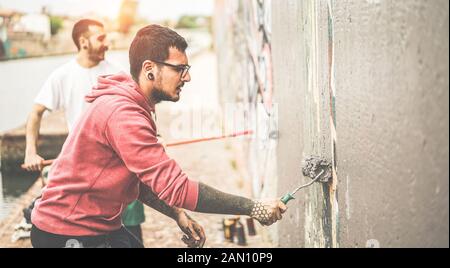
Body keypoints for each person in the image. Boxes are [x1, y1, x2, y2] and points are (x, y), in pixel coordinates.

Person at [30, 24, 287, 248]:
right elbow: (178, 188)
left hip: (97, 224)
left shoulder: (134, 106)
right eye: (179, 69)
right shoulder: (124, 114)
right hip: (66, 231)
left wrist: (178, 214)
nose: (187, 77)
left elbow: (141, 181)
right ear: (149, 69)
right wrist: (253, 207)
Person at [21, 19, 145, 242]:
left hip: (121, 162)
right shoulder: (63, 75)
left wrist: (155, 137)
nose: (107, 43)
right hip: (82, 169)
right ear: (83, 42)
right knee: (89, 230)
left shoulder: (117, 72)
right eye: (101, 38)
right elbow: (36, 112)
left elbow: (138, 109)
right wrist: (30, 152)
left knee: (132, 225)